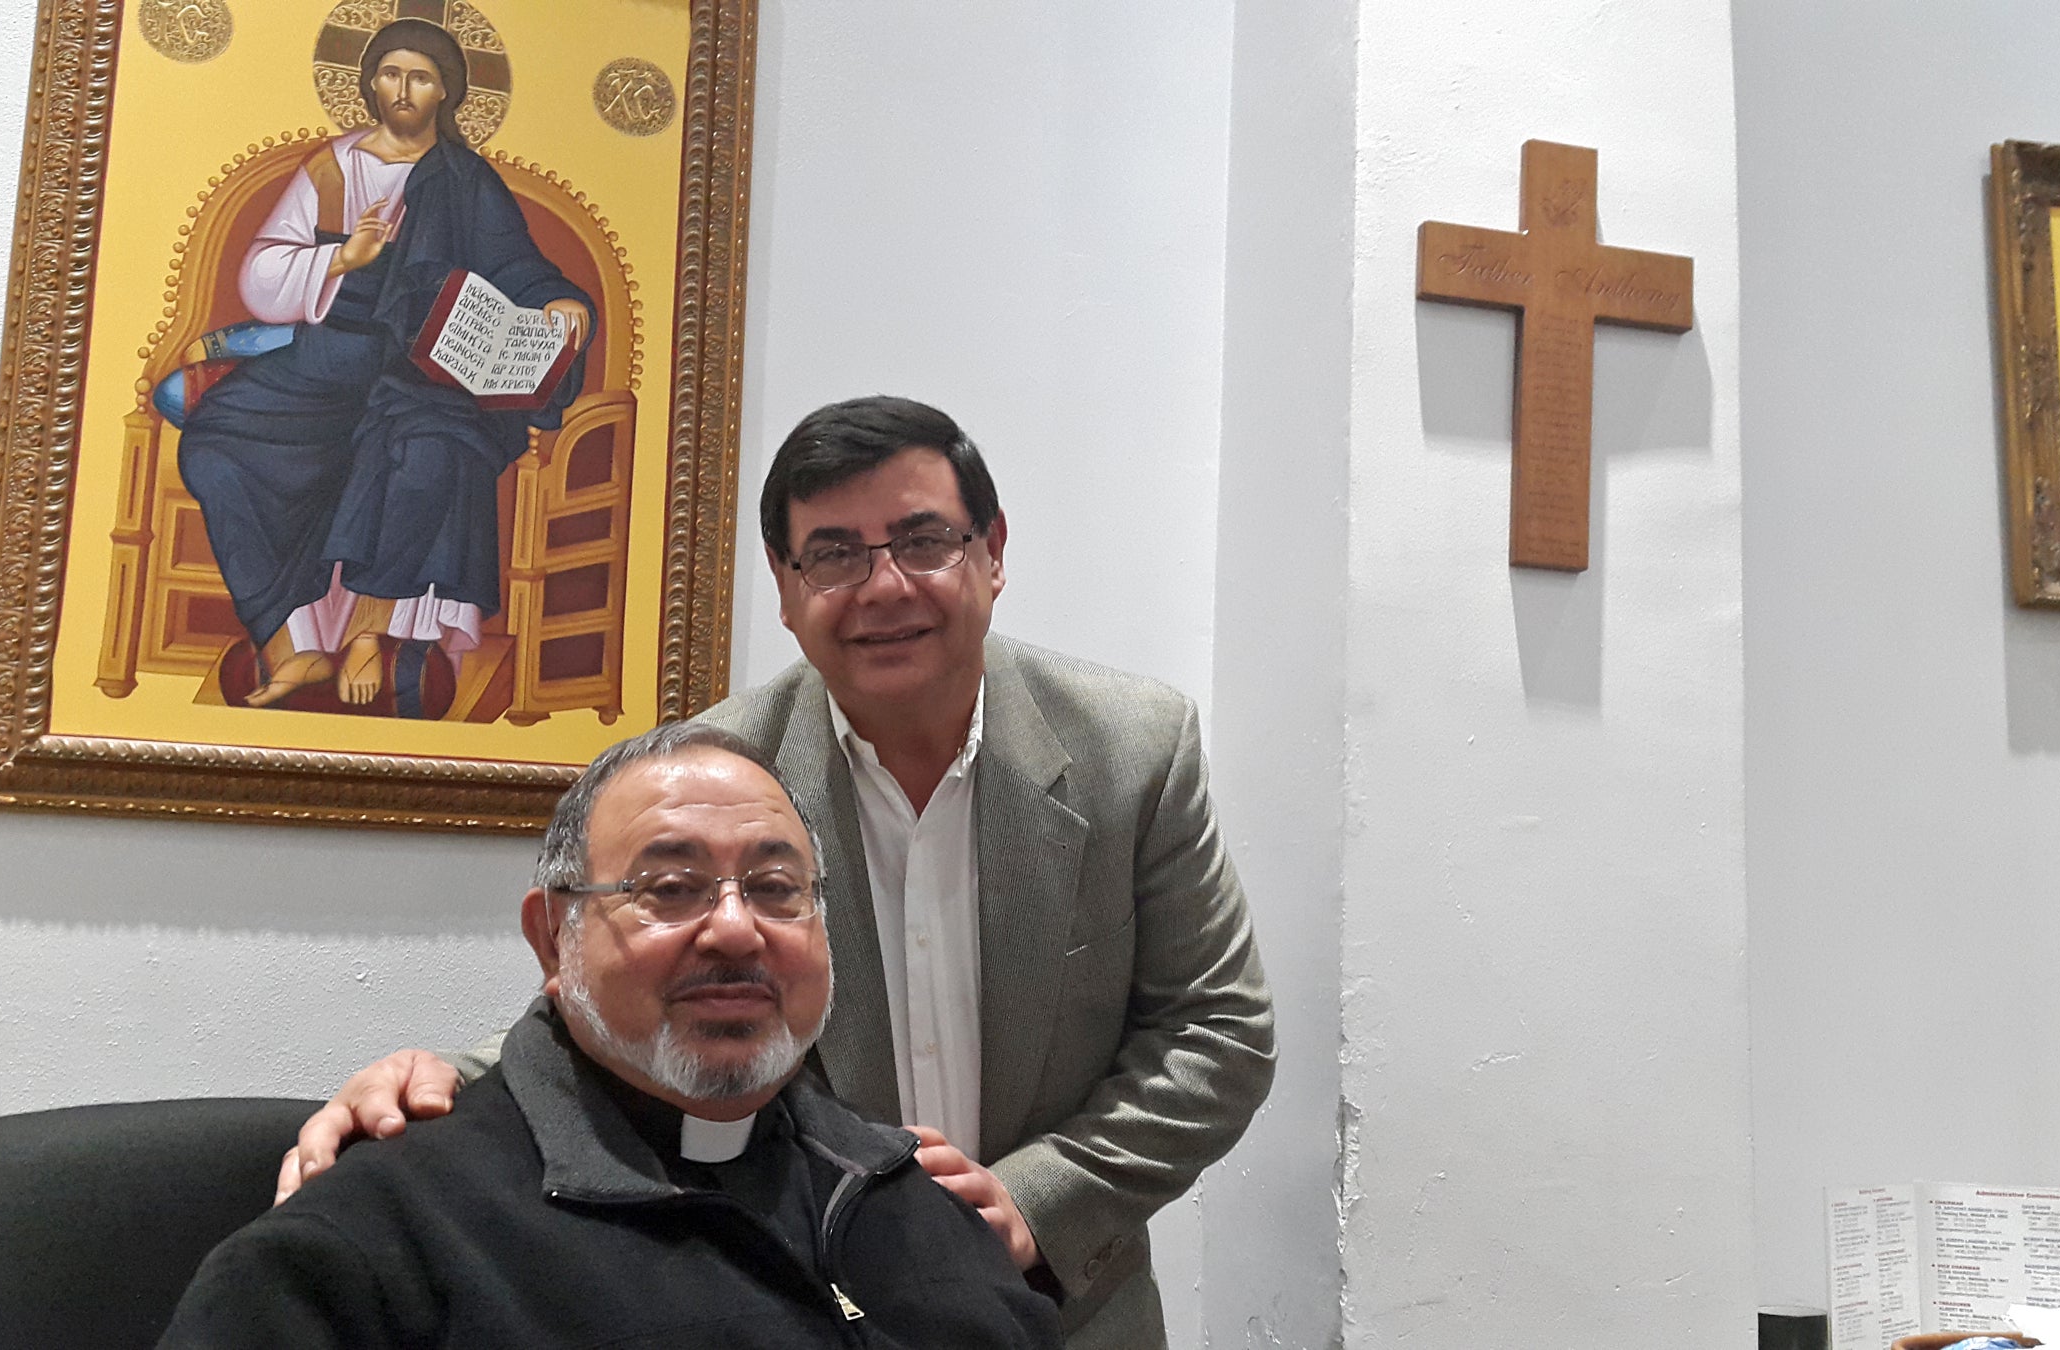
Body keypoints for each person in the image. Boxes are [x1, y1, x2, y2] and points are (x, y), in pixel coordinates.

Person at [284, 396, 1275, 1349]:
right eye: (835, 554)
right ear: (786, 585)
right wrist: (431, 1080)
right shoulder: (719, 778)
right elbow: (625, 999)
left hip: (1067, 1309)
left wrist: (1036, 1199)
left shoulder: (1133, 748)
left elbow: (1218, 1029)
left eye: (923, 540)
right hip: (812, 1298)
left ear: (994, 553)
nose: (884, 587)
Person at [161, 723, 1063, 1347]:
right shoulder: (371, 1248)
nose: (738, 929)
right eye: (670, 889)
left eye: (778, 888)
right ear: (554, 938)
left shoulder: (919, 1199)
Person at [177, 17, 593, 708]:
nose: (405, 89)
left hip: (423, 369)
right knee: (215, 446)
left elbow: (518, 265)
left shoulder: (464, 179)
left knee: (422, 449)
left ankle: (370, 632)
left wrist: (559, 302)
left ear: (446, 93)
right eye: (393, 73)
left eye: (422, 77)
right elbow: (260, 275)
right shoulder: (332, 168)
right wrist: (344, 257)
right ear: (370, 81)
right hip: (328, 358)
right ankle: (291, 645)